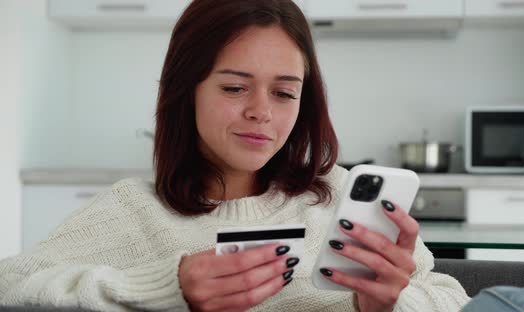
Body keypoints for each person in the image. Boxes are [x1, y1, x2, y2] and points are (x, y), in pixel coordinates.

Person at [0, 0, 471, 311]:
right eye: (234, 87)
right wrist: (168, 287)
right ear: (187, 92)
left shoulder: (337, 197)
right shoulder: (132, 212)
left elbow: (451, 297)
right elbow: (12, 284)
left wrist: (391, 303)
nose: (261, 113)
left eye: (284, 93)